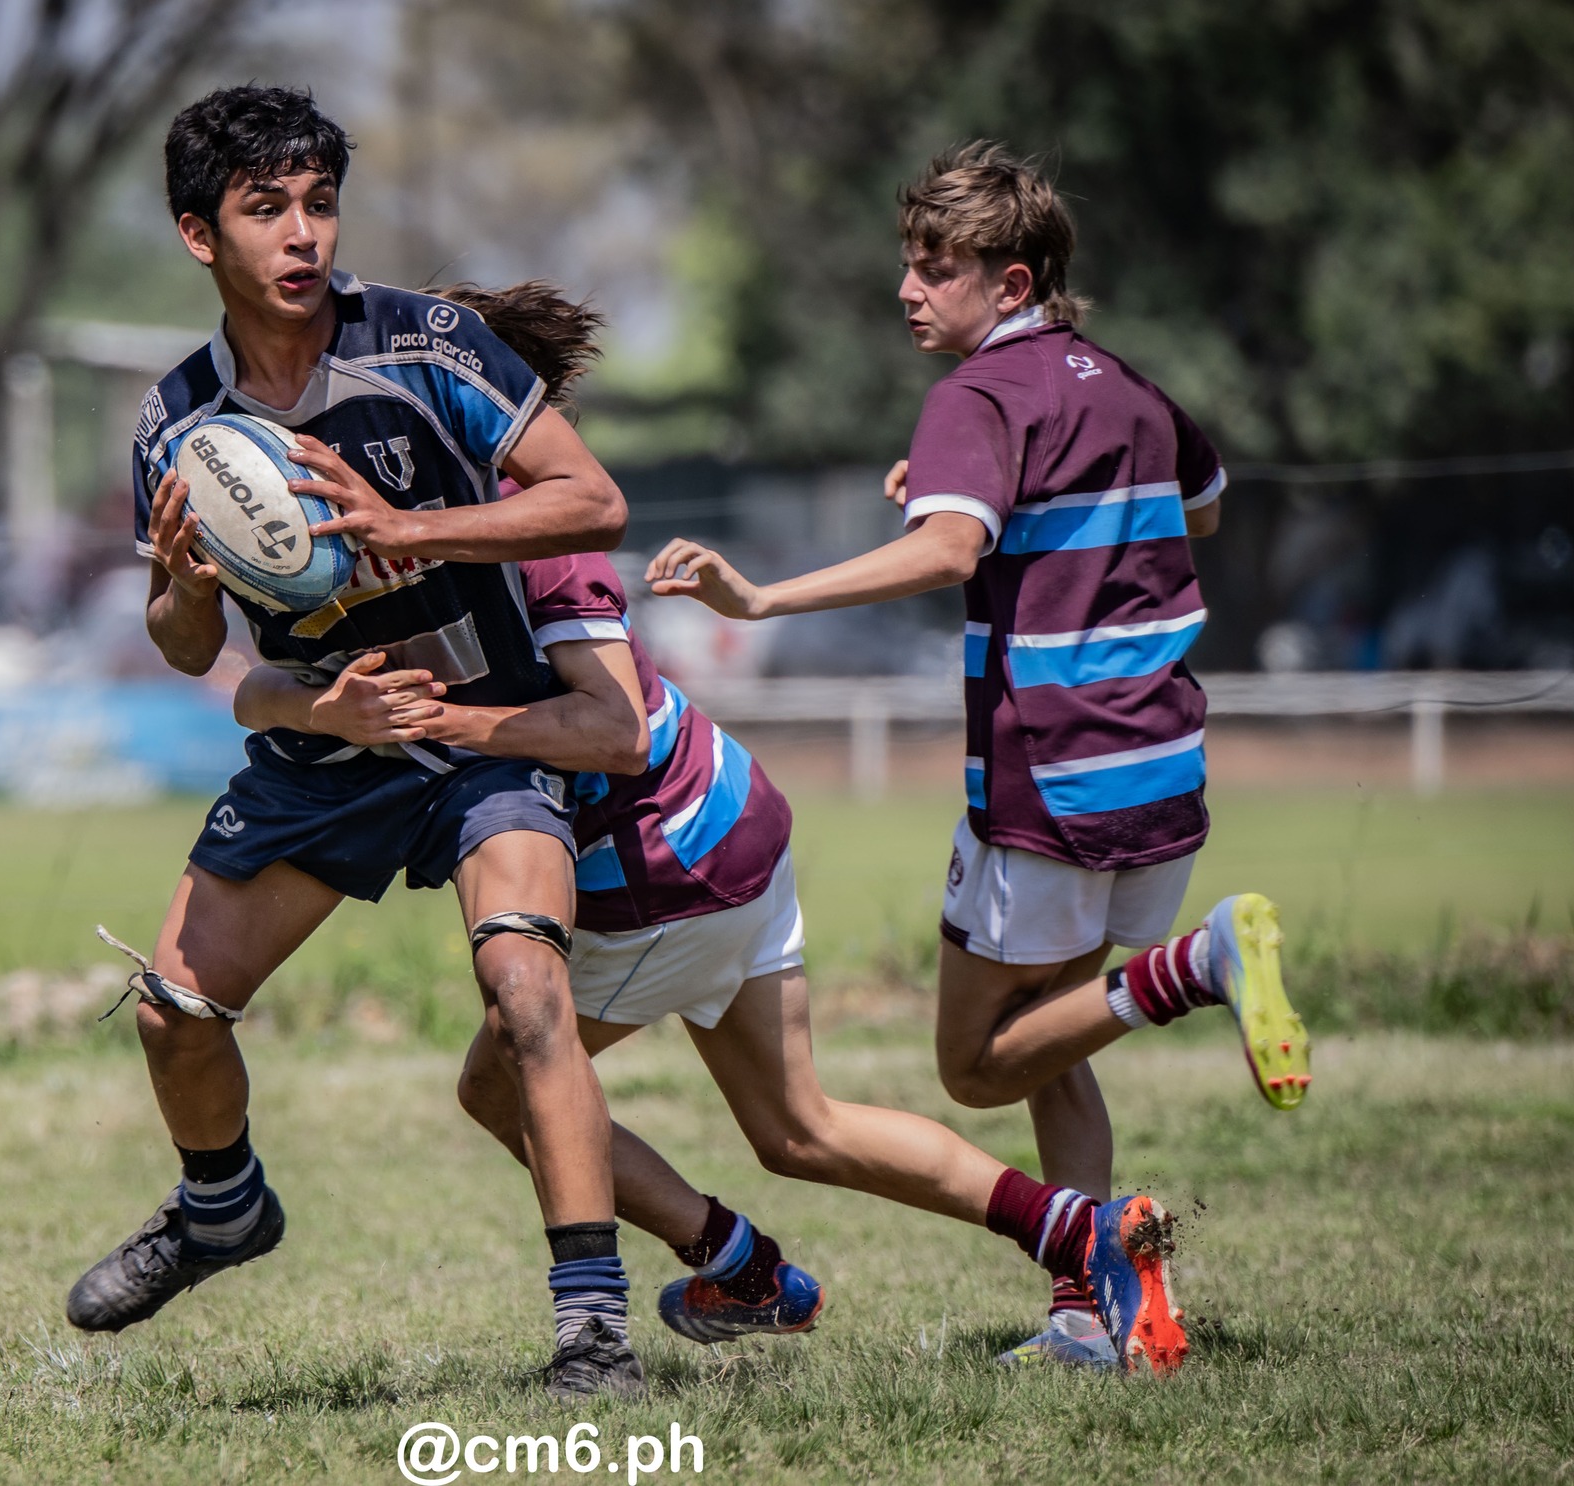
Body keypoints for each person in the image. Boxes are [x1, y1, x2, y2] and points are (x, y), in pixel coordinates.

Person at [234, 281, 1196, 1374]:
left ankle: (734, 1265)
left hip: (666, 858)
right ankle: (1079, 1230)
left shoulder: (533, 530)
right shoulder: (471, 513)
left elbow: (613, 734)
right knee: (800, 1129)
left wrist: (449, 721)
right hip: (728, 825)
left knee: (499, 1081)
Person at [642, 142, 1312, 1367]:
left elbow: (949, 553)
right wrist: (995, 494)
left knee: (973, 1063)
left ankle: (1194, 966)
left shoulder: (975, 397)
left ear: (1008, 283)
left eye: (933, 266)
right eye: (906, 260)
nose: (907, 286)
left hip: (1047, 770)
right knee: (1053, 1031)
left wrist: (763, 598)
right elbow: (1200, 502)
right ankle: (1087, 1313)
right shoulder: (1121, 383)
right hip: (1157, 760)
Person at [64, 86, 646, 1401]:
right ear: (196, 233)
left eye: (319, 203)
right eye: (266, 208)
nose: (303, 234)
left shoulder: (429, 345)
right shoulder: (177, 420)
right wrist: (185, 586)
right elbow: (182, 647)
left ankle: (595, 1324)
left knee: (528, 991)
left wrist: (405, 526)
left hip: (486, 729)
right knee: (174, 1015)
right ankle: (222, 1207)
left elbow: (592, 501)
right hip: (330, 746)